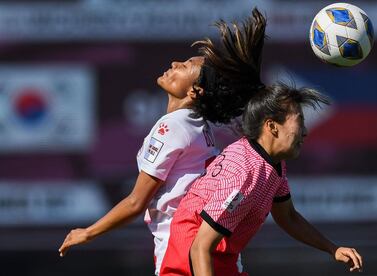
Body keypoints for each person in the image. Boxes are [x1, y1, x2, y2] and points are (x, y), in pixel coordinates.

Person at [58, 8, 267, 275]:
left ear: (195, 91)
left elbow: (136, 203)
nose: (175, 63)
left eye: (186, 66)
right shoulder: (199, 127)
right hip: (213, 249)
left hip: (181, 249)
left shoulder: (173, 126)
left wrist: (88, 232)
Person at [160, 83, 363, 275]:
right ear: (272, 126)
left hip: (220, 259)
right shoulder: (244, 174)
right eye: (300, 121)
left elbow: (288, 217)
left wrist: (332, 249)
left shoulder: (272, 162)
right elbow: (200, 247)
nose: (305, 131)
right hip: (191, 263)